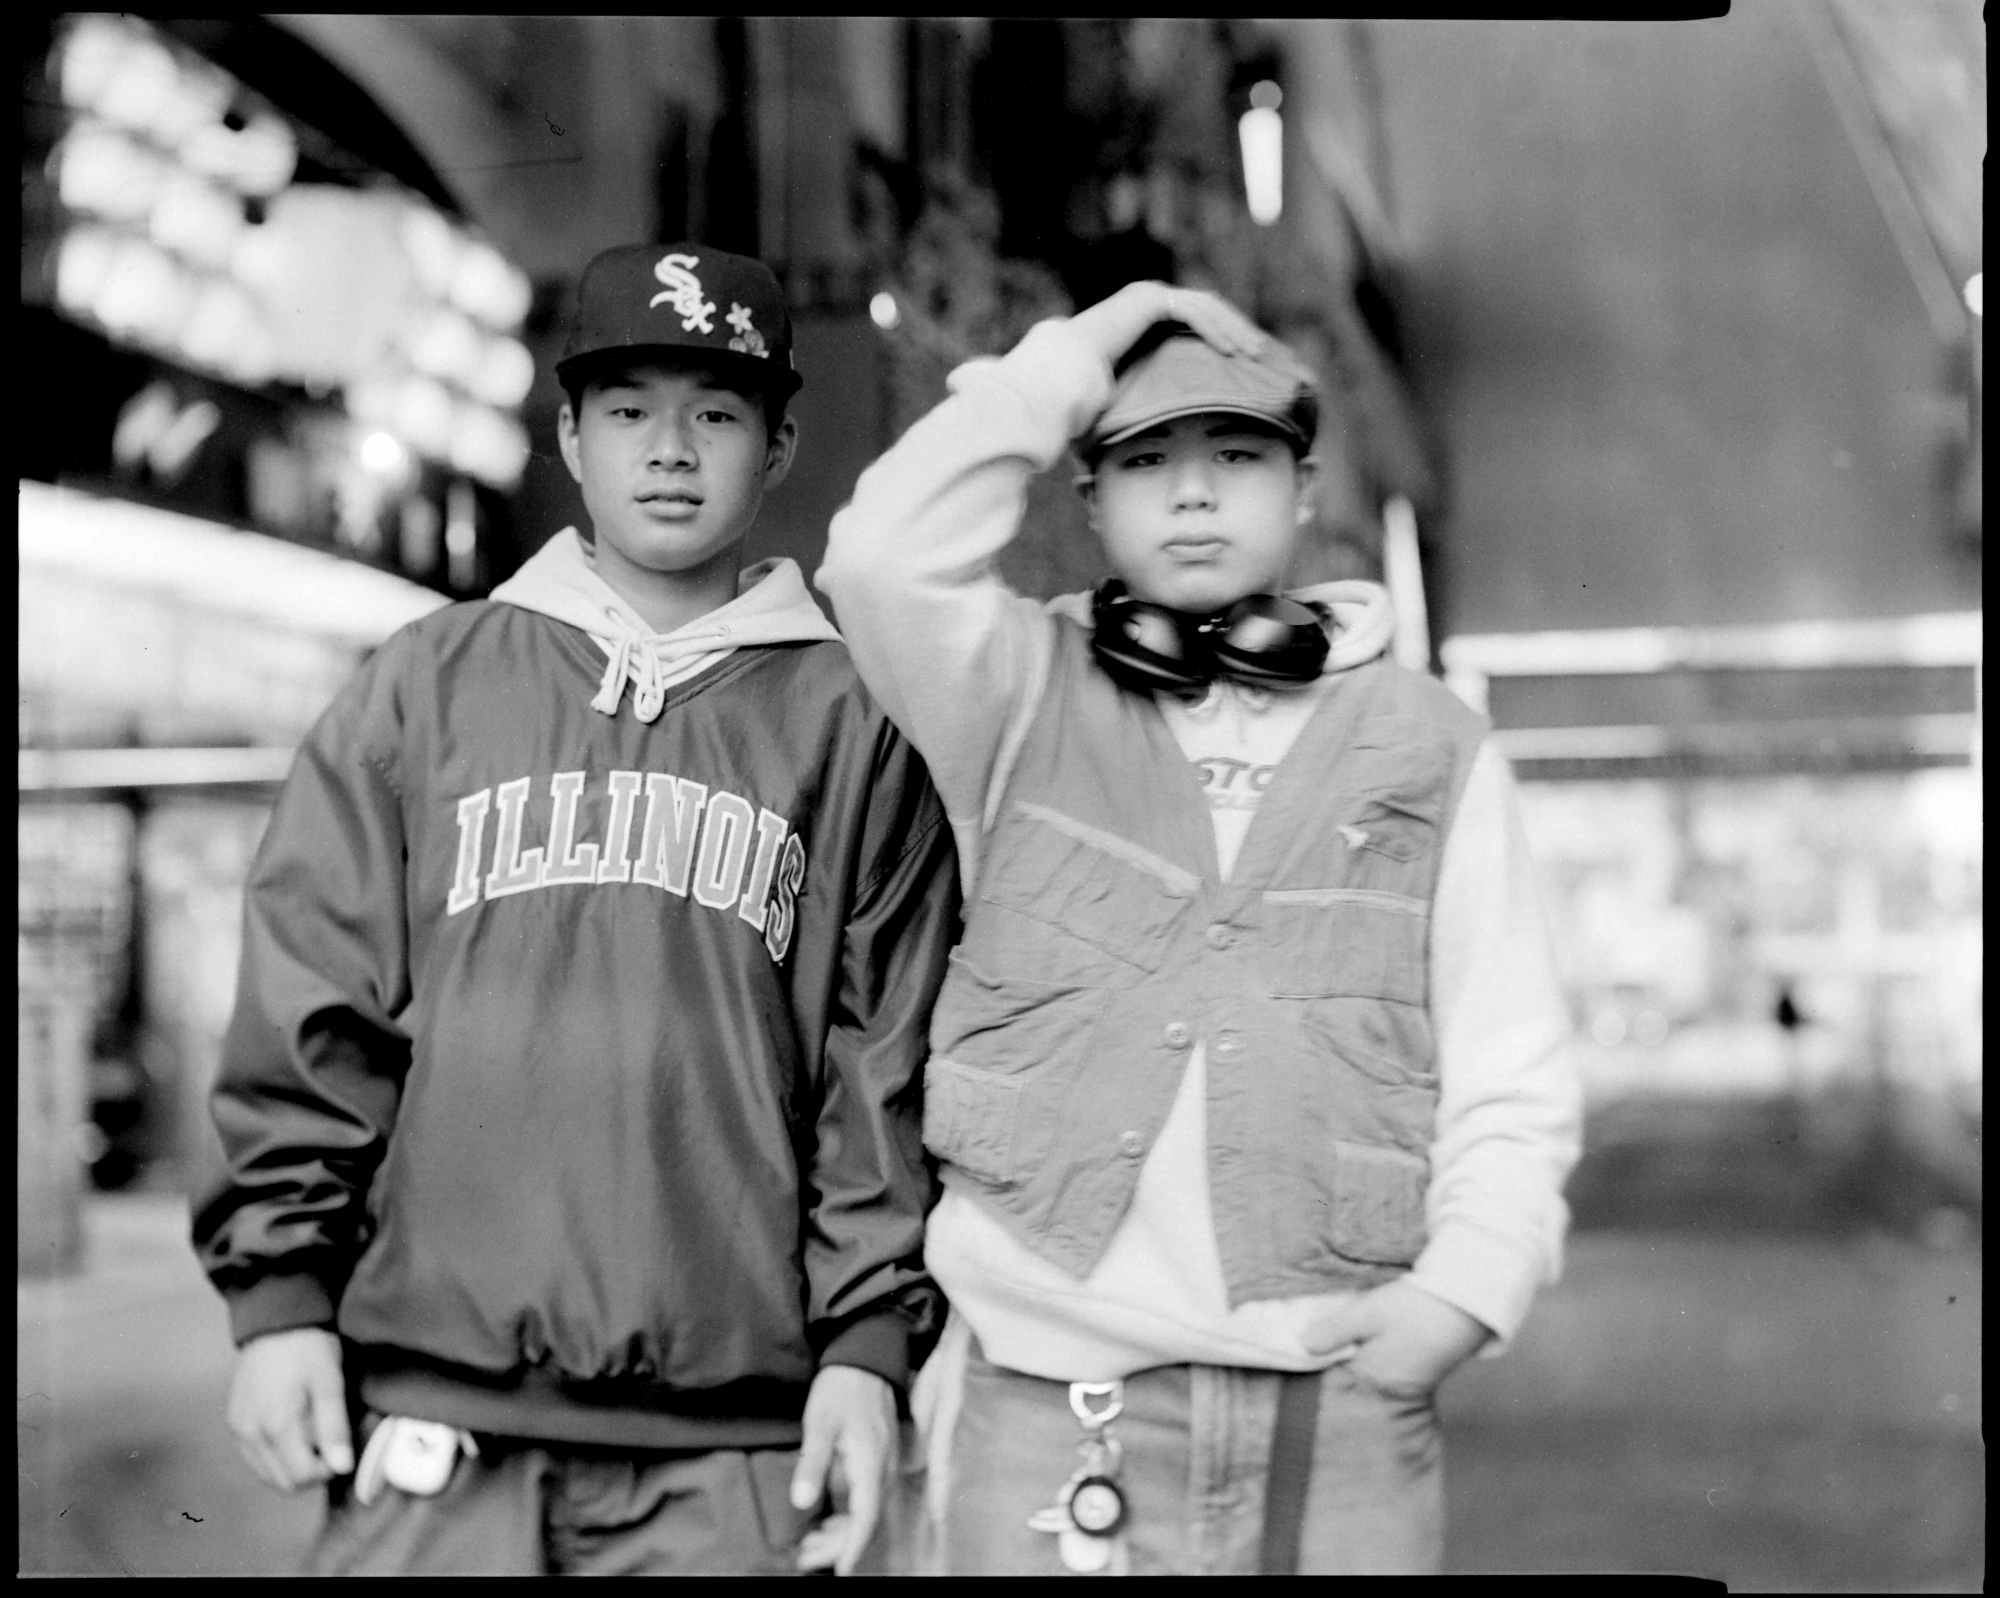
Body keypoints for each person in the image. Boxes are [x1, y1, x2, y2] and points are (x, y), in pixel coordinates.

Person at [190, 242, 960, 1577]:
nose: (670, 449)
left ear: (780, 444)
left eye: (716, 413)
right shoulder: (427, 684)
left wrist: (869, 1343)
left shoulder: (854, 721)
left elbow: (881, 1071)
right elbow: (313, 1005)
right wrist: (281, 1299)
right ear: (569, 437)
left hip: (737, 1439)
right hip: (437, 1410)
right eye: (628, 409)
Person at [816, 279, 1582, 1575]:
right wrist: (1087, 344)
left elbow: (1515, 1070)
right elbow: (879, 557)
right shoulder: (1010, 691)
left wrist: (1462, 1297)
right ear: (1087, 502)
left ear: (1303, 491)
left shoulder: (1432, 745)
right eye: (1145, 461)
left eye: (1236, 457)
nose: (1190, 493)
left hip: (1338, 1419)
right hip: (1048, 1415)